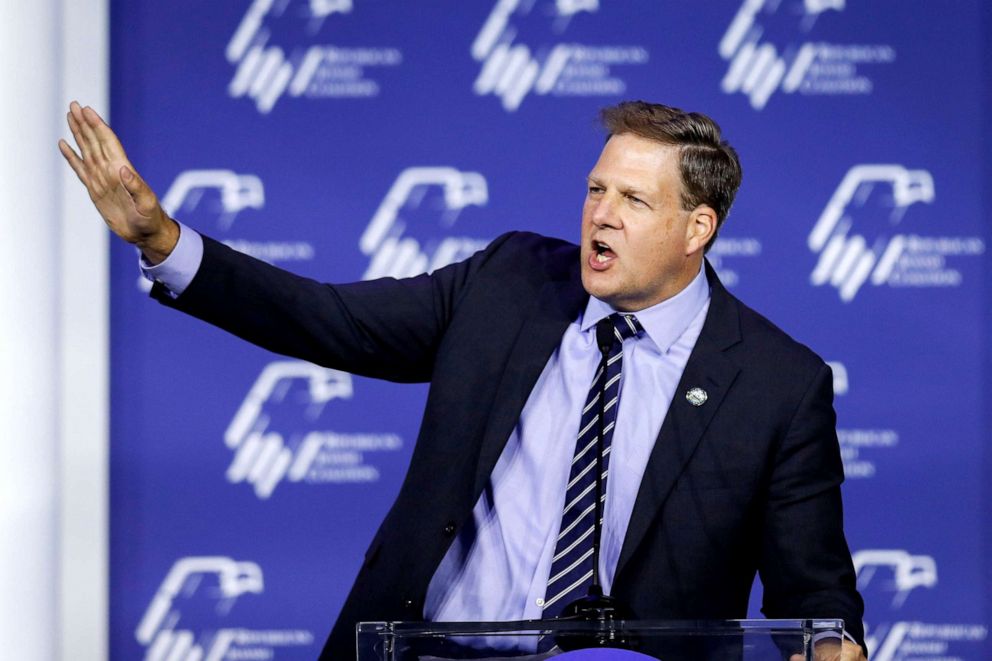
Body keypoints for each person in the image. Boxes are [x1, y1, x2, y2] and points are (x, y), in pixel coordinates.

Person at [60, 100, 867, 661]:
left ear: (698, 228)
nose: (600, 215)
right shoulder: (510, 282)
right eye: (595, 189)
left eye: (632, 199)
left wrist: (830, 640)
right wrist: (165, 240)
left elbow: (816, 592)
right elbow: (328, 319)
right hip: (427, 650)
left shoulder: (773, 381)